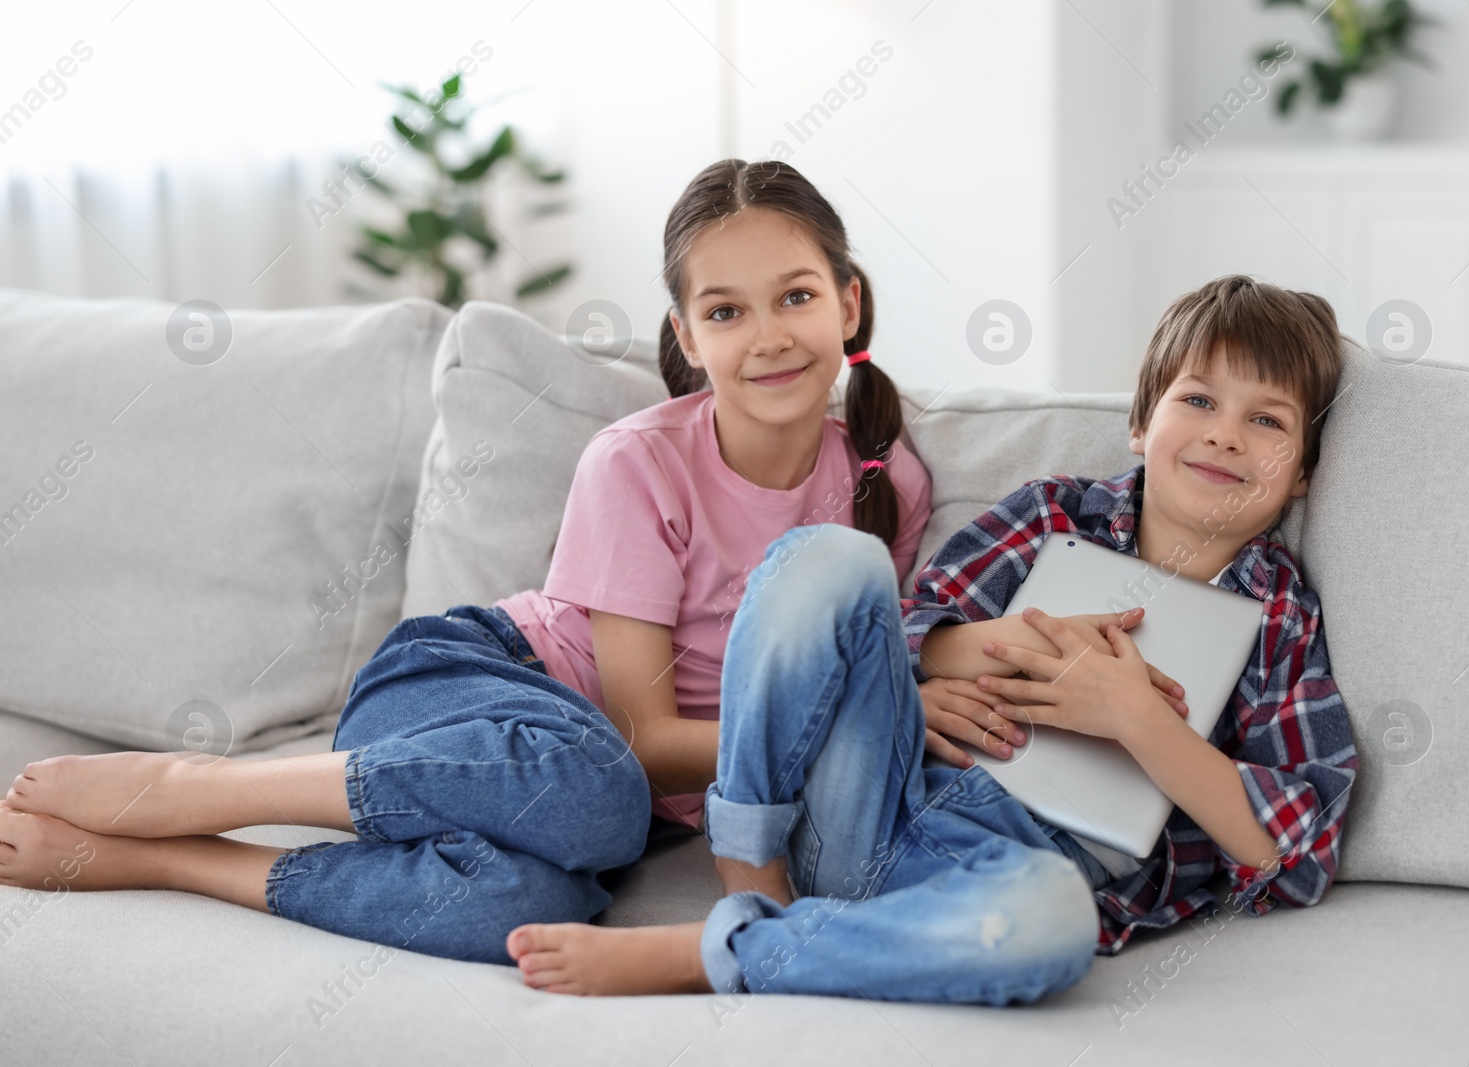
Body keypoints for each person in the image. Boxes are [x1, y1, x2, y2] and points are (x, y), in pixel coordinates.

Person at [0, 158, 940, 966]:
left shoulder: (882, 478)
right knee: (605, 788)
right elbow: (648, 738)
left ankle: (176, 858)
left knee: (530, 905)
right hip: (471, 687)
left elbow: (852, 657)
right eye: (728, 310)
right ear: (689, 337)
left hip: (584, 800)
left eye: (798, 295)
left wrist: (915, 683)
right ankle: (195, 787)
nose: (770, 335)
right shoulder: (641, 461)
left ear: (848, 302)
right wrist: (861, 721)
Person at [502, 274, 1360, 1004]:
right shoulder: (1055, 514)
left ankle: (737, 946)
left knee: (1054, 929)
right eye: (1200, 400)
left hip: (1003, 872)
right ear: (1141, 422)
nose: (1223, 434)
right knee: (832, 556)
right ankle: (748, 864)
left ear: (1306, 473)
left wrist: (1138, 718)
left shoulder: (1279, 616)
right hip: (868, 795)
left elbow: (1297, 852)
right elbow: (904, 627)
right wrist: (1007, 644)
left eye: (1268, 422)